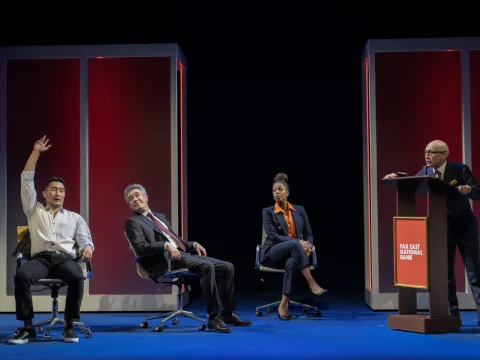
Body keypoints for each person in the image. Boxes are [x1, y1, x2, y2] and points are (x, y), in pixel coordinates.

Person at [124, 183, 252, 333]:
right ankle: (213, 317)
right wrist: (165, 246)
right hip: (163, 260)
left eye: (137, 195)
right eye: (130, 199)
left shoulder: (159, 217)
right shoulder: (133, 222)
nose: (134, 199)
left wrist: (193, 244)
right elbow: (140, 247)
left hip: (181, 254)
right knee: (207, 267)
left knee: (228, 267)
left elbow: (176, 241)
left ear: (145, 197)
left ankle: (228, 314)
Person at [9, 135, 94, 345]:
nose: (58, 193)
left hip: (65, 260)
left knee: (77, 276)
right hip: (41, 260)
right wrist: (36, 152)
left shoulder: (74, 217)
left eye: (62, 190)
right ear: (44, 193)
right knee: (21, 276)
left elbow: (86, 239)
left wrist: (88, 247)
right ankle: (28, 327)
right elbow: (26, 179)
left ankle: (69, 325)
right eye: (54, 189)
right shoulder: (34, 210)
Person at [383, 139, 480, 323]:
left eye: (432, 152)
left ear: (444, 154)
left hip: (465, 229)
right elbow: (413, 182)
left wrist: (468, 189)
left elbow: (477, 190)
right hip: (440, 231)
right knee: (445, 276)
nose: (427, 156)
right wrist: (397, 176)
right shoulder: (426, 171)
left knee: (475, 275)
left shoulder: (460, 169)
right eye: (426, 152)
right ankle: (453, 316)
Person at [260, 173, 327, 320]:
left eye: (280, 189)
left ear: (287, 192)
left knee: (292, 261)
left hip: (292, 254)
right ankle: (312, 283)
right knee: (293, 243)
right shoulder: (268, 212)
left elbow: (308, 233)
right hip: (272, 253)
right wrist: (298, 243)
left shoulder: (299, 210)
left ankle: (283, 305)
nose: (277, 192)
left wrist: (308, 245)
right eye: (274, 190)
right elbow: (273, 237)